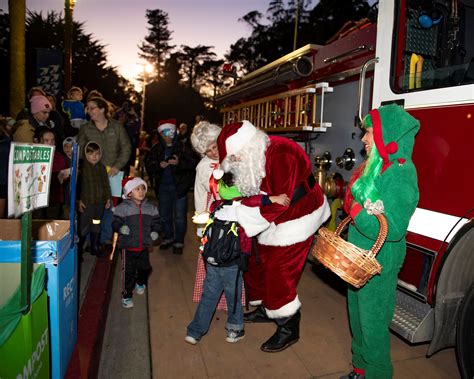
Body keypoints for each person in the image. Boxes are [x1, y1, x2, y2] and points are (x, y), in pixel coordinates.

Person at [213, 120, 330, 352]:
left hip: (300, 214)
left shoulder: (281, 153)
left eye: (235, 156)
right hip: (273, 214)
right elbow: (254, 193)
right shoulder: (252, 157)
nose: (234, 162)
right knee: (256, 261)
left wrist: (242, 219)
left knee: (279, 268)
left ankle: (288, 325)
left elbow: (282, 201)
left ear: (247, 146)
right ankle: (266, 307)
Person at [339, 104, 420, 379]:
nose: (363, 139)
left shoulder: (401, 173)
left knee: (373, 325)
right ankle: (360, 369)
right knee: (358, 320)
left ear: (389, 136)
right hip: (358, 259)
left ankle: (377, 373)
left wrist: (355, 211)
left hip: (379, 263)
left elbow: (393, 228)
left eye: (370, 133)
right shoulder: (375, 167)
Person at [185, 171, 290, 346]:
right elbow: (255, 201)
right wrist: (274, 198)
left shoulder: (216, 206)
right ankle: (235, 329)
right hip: (233, 262)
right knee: (233, 296)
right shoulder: (242, 208)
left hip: (212, 260)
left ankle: (195, 331)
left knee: (208, 296)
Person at [77, 96, 131, 246]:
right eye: (87, 108)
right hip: (92, 176)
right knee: (92, 207)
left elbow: (126, 148)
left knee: (110, 207)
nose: (89, 111)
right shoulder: (85, 128)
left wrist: (117, 166)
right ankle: (90, 240)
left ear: (102, 109)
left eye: (92, 107)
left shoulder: (117, 127)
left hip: (113, 174)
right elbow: (80, 151)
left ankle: (105, 239)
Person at [145, 119, 198, 254]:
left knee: (180, 216)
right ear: (161, 133)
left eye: (171, 131)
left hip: (180, 188)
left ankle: (179, 241)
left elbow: (193, 164)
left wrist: (179, 163)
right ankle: (168, 238)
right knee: (164, 215)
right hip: (163, 187)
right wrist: (159, 166)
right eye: (166, 132)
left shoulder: (183, 147)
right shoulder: (156, 149)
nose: (169, 135)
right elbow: (149, 166)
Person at [112, 177, 160, 309]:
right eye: (137, 189)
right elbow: (115, 223)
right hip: (128, 247)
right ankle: (126, 295)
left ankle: (141, 281)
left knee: (146, 268)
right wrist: (121, 228)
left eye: (143, 188)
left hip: (144, 245)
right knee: (128, 272)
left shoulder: (150, 208)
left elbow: (157, 222)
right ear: (129, 193)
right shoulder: (122, 208)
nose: (141, 192)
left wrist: (155, 231)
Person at [77, 141, 112, 258]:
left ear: (100, 155)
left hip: (100, 204)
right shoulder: (82, 168)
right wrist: (79, 200)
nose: (94, 156)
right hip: (88, 204)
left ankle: (94, 247)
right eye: (91, 154)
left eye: (97, 154)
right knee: (84, 226)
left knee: (96, 223)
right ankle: (79, 250)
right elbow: (78, 186)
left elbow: (106, 184)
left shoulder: (102, 168)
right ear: (85, 154)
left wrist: (107, 198)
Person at [37, 129, 68, 218]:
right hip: (37, 199)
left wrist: (65, 177)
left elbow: (64, 179)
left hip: (54, 198)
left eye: (52, 140)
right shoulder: (34, 156)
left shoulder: (60, 157)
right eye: (46, 140)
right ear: (40, 141)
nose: (50, 143)